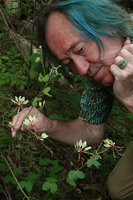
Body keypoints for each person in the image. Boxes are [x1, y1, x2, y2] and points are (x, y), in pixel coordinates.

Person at [11, 0, 133, 199]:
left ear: (109, 27)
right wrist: (49, 125)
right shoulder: (99, 74)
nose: (82, 69)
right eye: (69, 63)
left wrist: (129, 97)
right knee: (120, 189)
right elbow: (91, 130)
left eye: (81, 49)